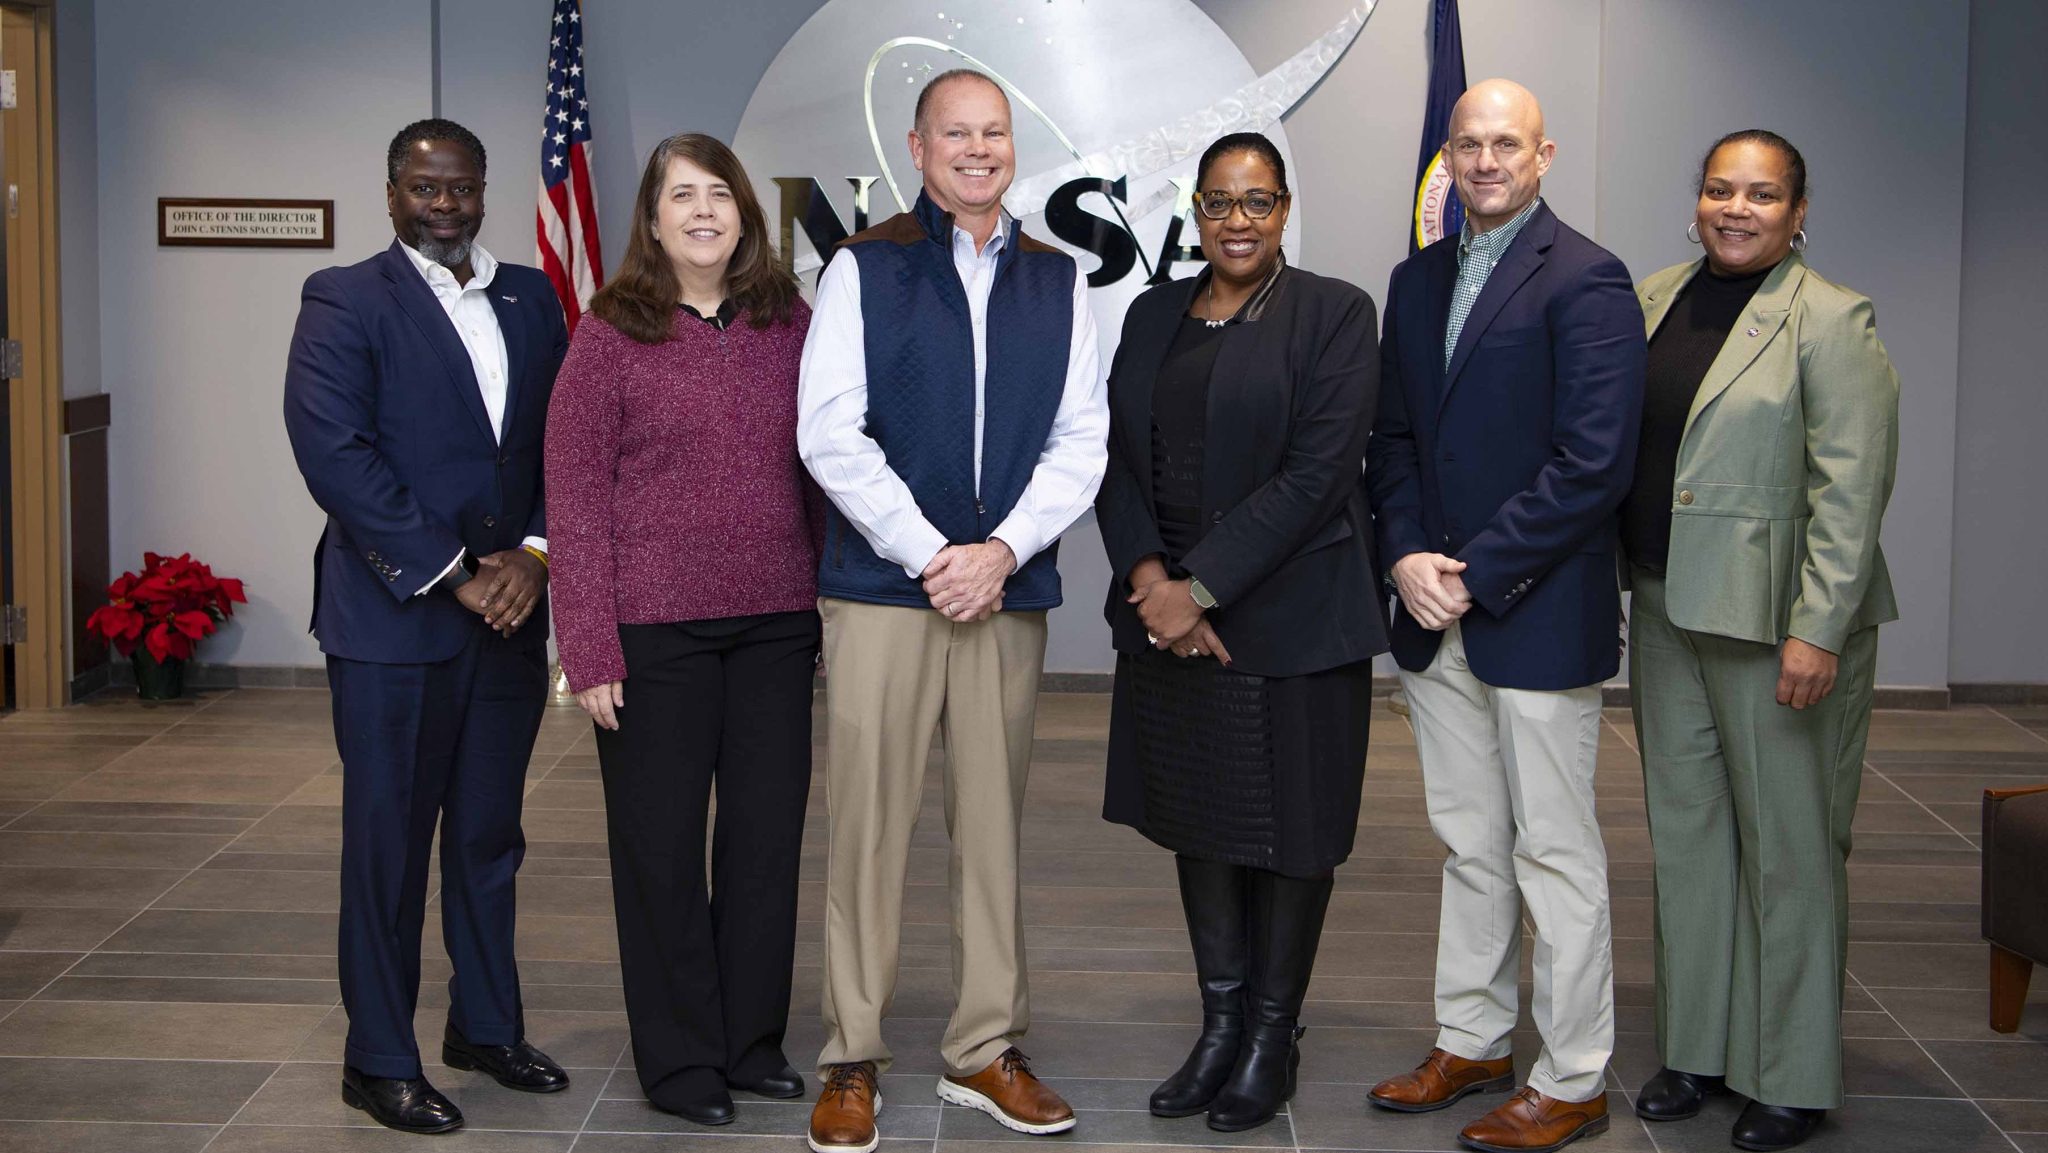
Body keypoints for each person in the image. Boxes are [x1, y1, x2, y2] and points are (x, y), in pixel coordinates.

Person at [797, 68, 1108, 1153]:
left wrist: (1003, 550)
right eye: (955, 134)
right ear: (918, 150)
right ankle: (850, 1053)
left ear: (1009, 148)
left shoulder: (1056, 280)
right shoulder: (863, 267)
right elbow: (829, 432)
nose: (977, 151)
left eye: (993, 133)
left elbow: (1082, 440)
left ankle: (984, 1046)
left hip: (1005, 591)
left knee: (991, 827)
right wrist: (937, 554)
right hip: (884, 590)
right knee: (867, 828)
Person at [1364, 79, 1645, 1153]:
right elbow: (1391, 439)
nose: (1485, 161)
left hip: (1530, 609)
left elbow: (1592, 464)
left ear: (1542, 153)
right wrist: (1402, 558)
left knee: (1554, 853)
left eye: (1505, 145)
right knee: (1468, 843)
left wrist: (1472, 572)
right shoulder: (1415, 275)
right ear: (1446, 154)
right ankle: (1473, 1038)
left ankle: (1570, 1075)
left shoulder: (1585, 279)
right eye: (1468, 144)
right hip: (1431, 609)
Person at [282, 118, 569, 1135]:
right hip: (395, 621)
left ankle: (484, 1026)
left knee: (489, 836)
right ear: (393, 190)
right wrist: (454, 574)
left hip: (508, 618)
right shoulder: (346, 299)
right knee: (390, 845)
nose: (441, 204)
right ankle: (380, 1055)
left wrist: (532, 557)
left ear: (483, 188)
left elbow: (560, 445)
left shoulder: (532, 296)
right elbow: (337, 457)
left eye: (457, 187)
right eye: (421, 187)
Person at [1095, 131, 1385, 1134]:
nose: (1235, 221)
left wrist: (1200, 589)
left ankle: (1271, 1034)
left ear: (1284, 209)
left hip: (1294, 617)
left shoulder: (1335, 314)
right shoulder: (1149, 313)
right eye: (1217, 202)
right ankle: (1218, 1025)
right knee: (1201, 820)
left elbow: (1317, 475)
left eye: (1256, 202)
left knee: (1291, 830)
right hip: (1165, 617)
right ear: (1194, 211)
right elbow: (1116, 459)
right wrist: (1148, 581)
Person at [1622, 130, 1899, 1153]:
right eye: (1715, 189)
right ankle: (1694, 1048)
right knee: (1687, 841)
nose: (1733, 209)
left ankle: (1787, 1072)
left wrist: (1814, 628)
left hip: (1776, 626)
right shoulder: (1652, 299)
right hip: (1663, 608)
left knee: (1785, 851)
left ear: (1795, 213)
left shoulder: (1829, 320)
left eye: (1759, 195)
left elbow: (1851, 487)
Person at [544, 133, 821, 1126]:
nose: (702, 211)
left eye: (718, 194)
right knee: (658, 849)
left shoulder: (792, 322)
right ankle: (680, 1062)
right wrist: (588, 646)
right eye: (681, 196)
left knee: (762, 842)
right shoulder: (607, 335)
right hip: (652, 632)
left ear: (744, 212)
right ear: (652, 219)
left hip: (777, 626)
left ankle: (750, 1044)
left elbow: (826, 463)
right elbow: (573, 503)